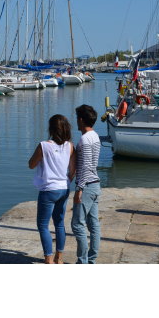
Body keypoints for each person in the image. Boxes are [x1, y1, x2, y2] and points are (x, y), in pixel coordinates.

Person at [29, 115, 76, 264]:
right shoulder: (69, 146)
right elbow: (73, 170)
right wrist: (65, 182)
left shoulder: (44, 146)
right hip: (64, 189)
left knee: (43, 225)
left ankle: (49, 261)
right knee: (59, 224)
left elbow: (31, 164)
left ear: (50, 129)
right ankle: (59, 259)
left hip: (48, 190)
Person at [71, 104, 101, 264]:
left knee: (77, 224)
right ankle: (91, 261)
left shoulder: (84, 139)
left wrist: (79, 188)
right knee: (93, 224)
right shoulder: (95, 136)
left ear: (81, 120)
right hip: (95, 183)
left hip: (87, 186)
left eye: (77, 118)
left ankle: (82, 262)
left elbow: (86, 166)